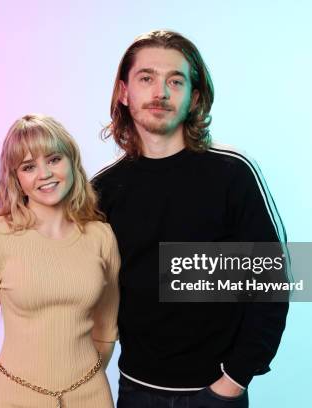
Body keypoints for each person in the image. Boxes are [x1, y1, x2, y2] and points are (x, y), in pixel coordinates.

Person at [91, 30, 289, 408]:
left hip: (215, 392)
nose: (160, 92)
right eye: (146, 78)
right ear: (123, 92)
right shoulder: (104, 188)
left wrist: (233, 380)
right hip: (134, 390)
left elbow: (272, 280)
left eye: (175, 81)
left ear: (194, 97)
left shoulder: (233, 173)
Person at [0, 114, 120, 408]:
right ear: (16, 178)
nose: (44, 173)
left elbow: (107, 330)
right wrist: (0, 397)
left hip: (93, 397)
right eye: (29, 166)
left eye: (54, 159)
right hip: (15, 398)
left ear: (71, 162)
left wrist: (81, 382)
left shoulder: (101, 236)